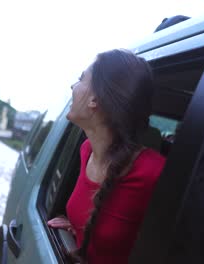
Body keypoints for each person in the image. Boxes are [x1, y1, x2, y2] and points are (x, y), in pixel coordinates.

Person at [47, 49, 166, 263]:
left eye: (81, 79)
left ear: (95, 100)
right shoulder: (86, 151)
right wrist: (79, 229)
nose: (73, 86)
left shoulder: (155, 173)